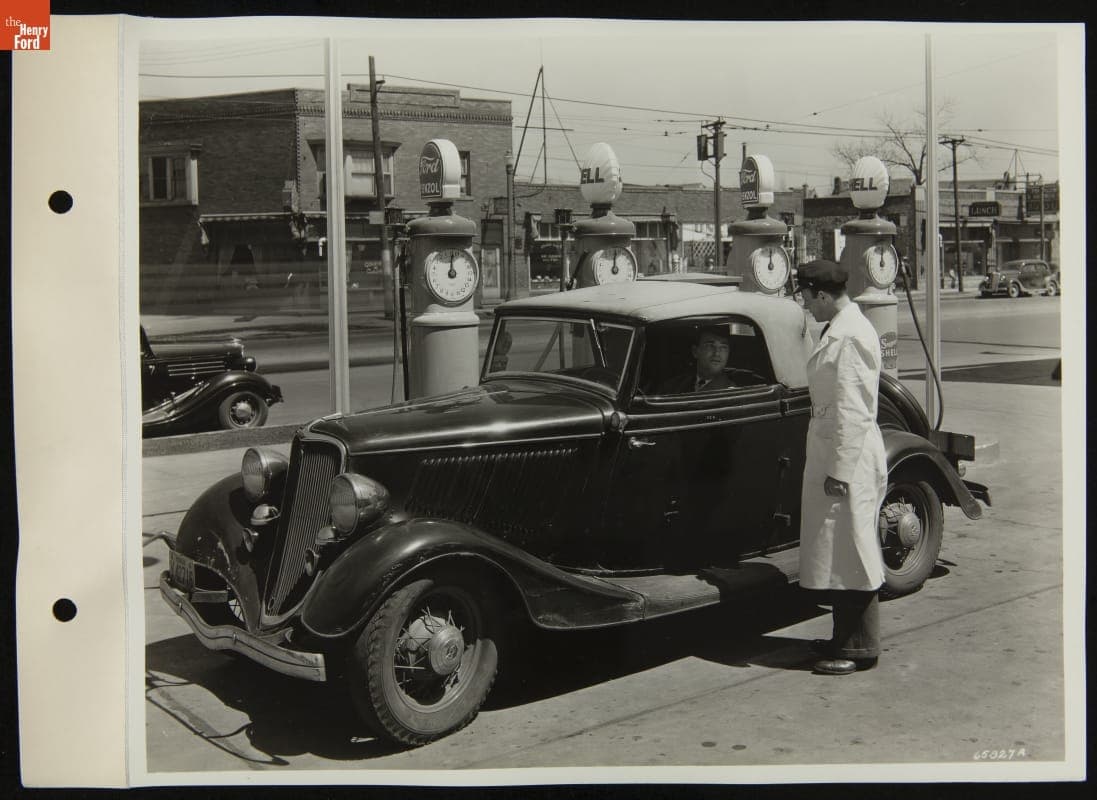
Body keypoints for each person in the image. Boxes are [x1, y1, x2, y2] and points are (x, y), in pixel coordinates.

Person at [795, 259, 888, 676]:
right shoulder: (840, 327)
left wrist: (840, 471)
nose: (806, 307)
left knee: (852, 550)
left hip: (846, 455)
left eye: (807, 298)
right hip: (835, 450)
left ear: (822, 294)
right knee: (840, 548)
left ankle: (860, 647)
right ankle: (843, 638)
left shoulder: (849, 336)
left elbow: (854, 410)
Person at [658, 326, 736, 394]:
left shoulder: (732, 393)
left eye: (723, 347)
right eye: (710, 346)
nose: (717, 353)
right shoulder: (672, 386)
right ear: (695, 351)